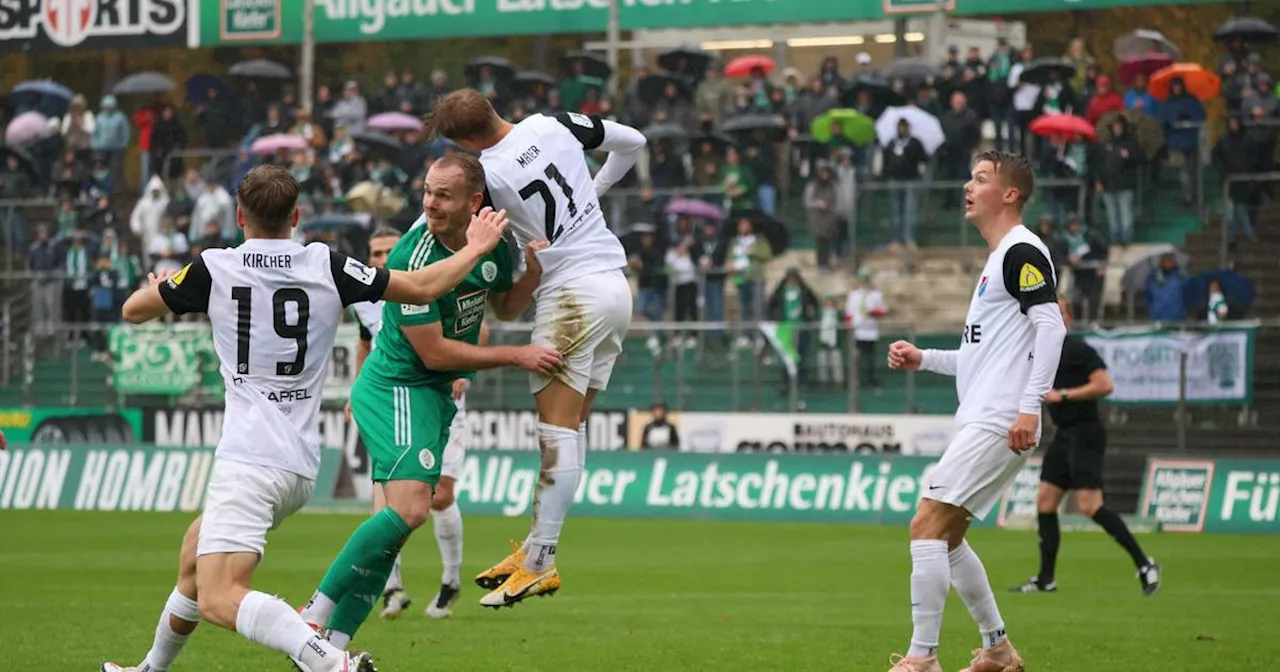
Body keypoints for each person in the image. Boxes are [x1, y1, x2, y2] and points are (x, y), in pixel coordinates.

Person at [99, 164, 511, 672]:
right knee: (194, 554)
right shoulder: (326, 264)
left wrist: (163, 287)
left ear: (238, 216)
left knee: (219, 596)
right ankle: (150, 669)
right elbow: (423, 288)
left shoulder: (215, 267)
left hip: (249, 458)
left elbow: (133, 310)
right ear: (296, 216)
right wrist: (475, 249)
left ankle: (326, 660)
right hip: (297, 462)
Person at [298, 153, 558, 648]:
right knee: (414, 510)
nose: (431, 204)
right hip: (397, 385)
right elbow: (434, 353)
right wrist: (517, 355)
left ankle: (330, 650)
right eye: (427, 192)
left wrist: (530, 274)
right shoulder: (411, 259)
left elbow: (502, 304)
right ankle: (313, 612)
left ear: (474, 202)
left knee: (396, 525)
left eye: (443, 194)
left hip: (433, 394)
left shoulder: (496, 243)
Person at [426, 88, 646, 608]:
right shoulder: (553, 124)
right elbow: (633, 142)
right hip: (615, 285)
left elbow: (467, 227)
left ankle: (541, 560)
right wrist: (594, 189)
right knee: (574, 424)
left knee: (555, 430)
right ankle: (533, 549)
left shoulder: (490, 178)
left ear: (463, 141)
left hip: (570, 293)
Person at [885, 151, 1066, 672]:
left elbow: (1052, 327)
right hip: (991, 416)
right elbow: (980, 356)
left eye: (981, 179)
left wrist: (1029, 408)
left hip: (1002, 418)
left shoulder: (1021, 250)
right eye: (970, 176)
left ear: (1009, 195)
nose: (969, 186)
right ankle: (998, 651)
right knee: (949, 536)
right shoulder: (998, 259)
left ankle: (922, 658)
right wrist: (925, 358)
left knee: (925, 524)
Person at [1012, 297, 1160, 596]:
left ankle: (1145, 563)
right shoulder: (1040, 352)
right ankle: (1046, 579)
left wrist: (1064, 396)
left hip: (1085, 434)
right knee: (1045, 502)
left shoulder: (1076, 348)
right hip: (1064, 434)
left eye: (1058, 312)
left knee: (1091, 506)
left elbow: (1105, 384)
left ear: (1067, 318)